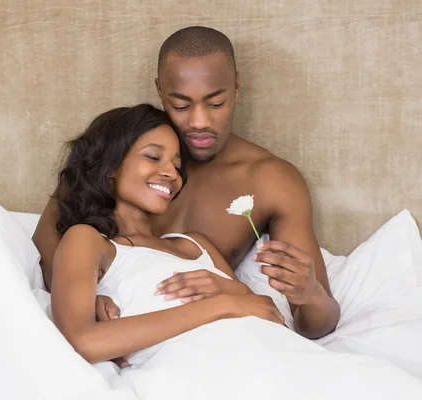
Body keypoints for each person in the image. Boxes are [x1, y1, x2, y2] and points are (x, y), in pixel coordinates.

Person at [48, 103, 422, 399]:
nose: (171, 173)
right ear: (111, 165)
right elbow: (83, 341)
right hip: (212, 376)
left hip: (285, 360)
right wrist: (220, 305)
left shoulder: (195, 244)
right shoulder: (88, 241)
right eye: (153, 156)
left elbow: (265, 313)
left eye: (177, 165)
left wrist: (234, 293)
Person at [33, 26, 339, 340]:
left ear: (235, 89)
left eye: (216, 103)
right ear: (160, 91)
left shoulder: (272, 181)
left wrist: (311, 294)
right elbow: (45, 243)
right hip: (132, 336)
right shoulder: (119, 155)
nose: (199, 122)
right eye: (180, 105)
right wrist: (82, 300)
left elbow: (313, 322)